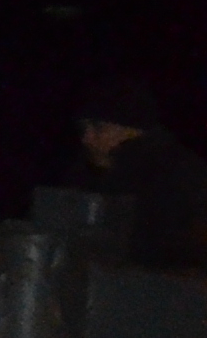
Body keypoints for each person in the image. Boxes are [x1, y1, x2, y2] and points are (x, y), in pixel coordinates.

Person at [69, 81, 207, 272]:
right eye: (84, 129)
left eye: (99, 128)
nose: (87, 138)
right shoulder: (86, 172)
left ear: (133, 130)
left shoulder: (178, 173)